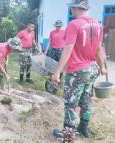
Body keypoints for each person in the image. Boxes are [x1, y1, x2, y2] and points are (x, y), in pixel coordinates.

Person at [52, 0, 107, 139]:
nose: (71, 10)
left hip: (78, 70)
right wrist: (102, 67)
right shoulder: (98, 25)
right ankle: (83, 127)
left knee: (71, 102)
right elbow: (99, 49)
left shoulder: (74, 24)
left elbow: (68, 49)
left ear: (76, 8)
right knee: (86, 99)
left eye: (72, 7)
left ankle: (68, 134)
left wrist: (57, 71)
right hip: (92, 69)